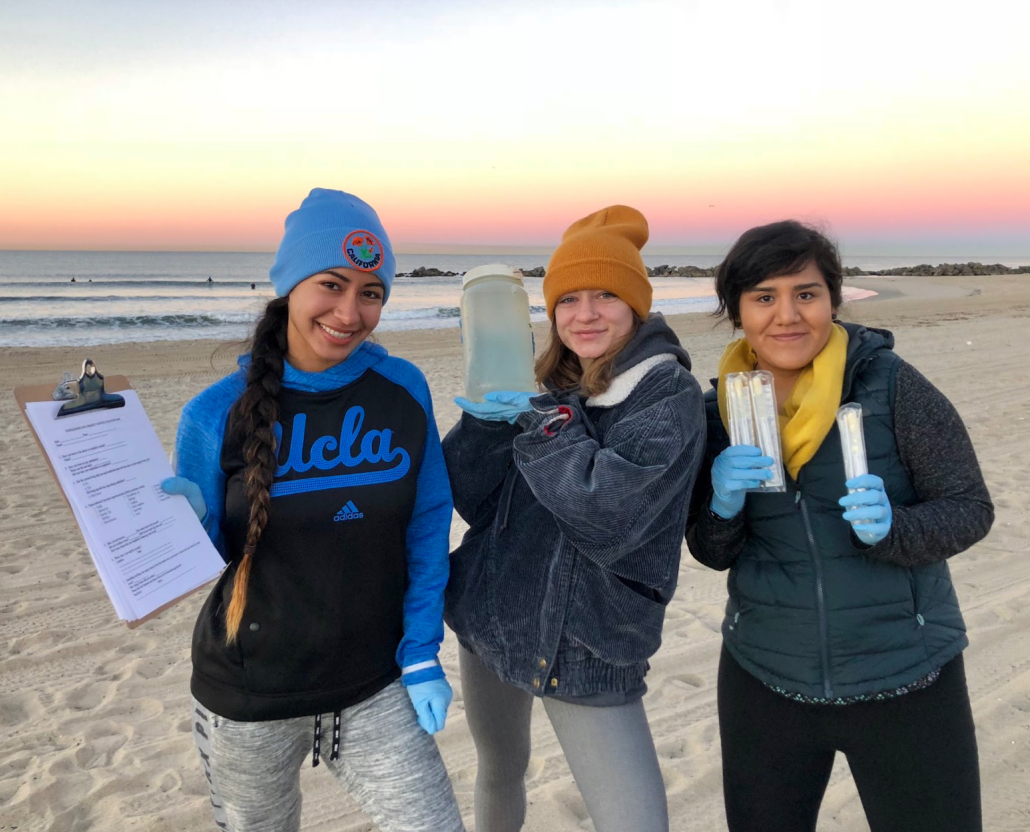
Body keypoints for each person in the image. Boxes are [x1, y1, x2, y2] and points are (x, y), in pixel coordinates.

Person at [161, 188, 464, 832]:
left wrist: (420, 652)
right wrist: (182, 531)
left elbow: (428, 525)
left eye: (371, 292)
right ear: (289, 287)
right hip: (249, 694)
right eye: (330, 283)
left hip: (376, 682)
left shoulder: (402, 389)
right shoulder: (215, 413)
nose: (349, 312)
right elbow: (208, 558)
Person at [685, 220, 994, 832]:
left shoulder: (891, 386)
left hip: (905, 674)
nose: (787, 316)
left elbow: (969, 506)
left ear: (833, 298)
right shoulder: (718, 410)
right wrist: (721, 504)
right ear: (737, 311)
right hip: (764, 676)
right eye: (763, 297)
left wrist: (895, 529)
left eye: (806, 293)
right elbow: (712, 550)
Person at [443, 205, 706, 832]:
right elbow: (475, 502)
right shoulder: (546, 385)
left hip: (587, 641)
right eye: (568, 299)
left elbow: (606, 516)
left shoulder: (665, 395)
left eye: (605, 296)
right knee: (500, 770)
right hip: (494, 615)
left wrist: (542, 428)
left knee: (635, 821)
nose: (584, 314)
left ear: (636, 305)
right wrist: (483, 423)